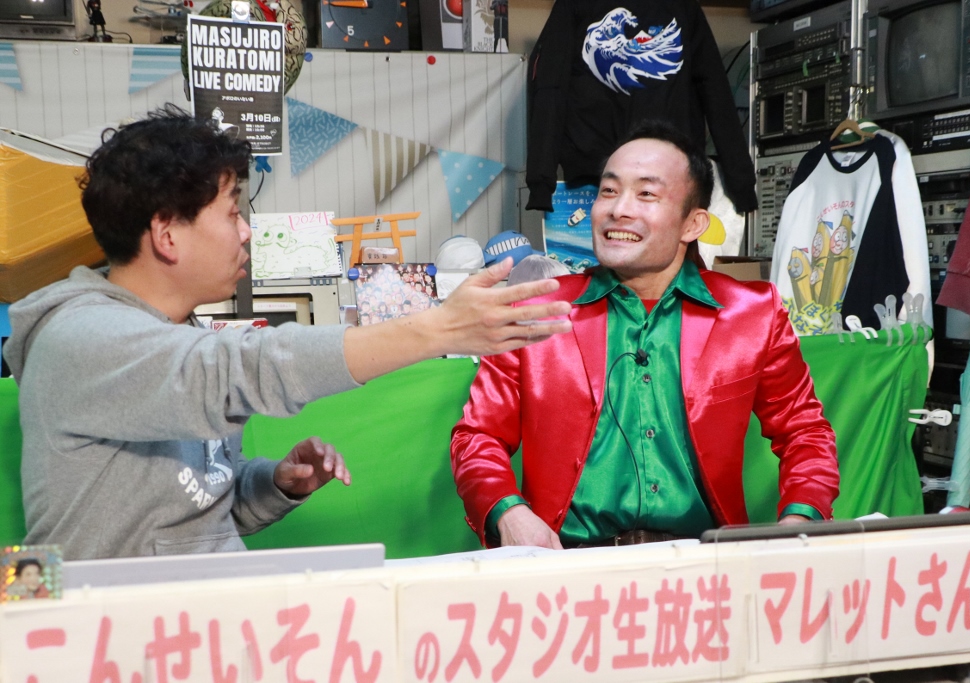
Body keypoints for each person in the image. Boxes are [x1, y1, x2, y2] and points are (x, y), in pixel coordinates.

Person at [3, 107, 571, 561]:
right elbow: (245, 366)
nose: (246, 231)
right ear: (167, 234)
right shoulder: (81, 338)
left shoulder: (176, 330)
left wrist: (275, 484)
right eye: (232, 212)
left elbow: (201, 509)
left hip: (211, 616)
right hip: (119, 636)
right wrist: (436, 329)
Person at [451, 120, 839, 549]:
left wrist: (799, 519)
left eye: (647, 194)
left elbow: (805, 432)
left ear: (693, 224)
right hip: (568, 560)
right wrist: (509, 513)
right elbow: (477, 436)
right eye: (609, 190)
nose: (618, 209)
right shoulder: (534, 311)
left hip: (703, 559)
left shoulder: (752, 313)